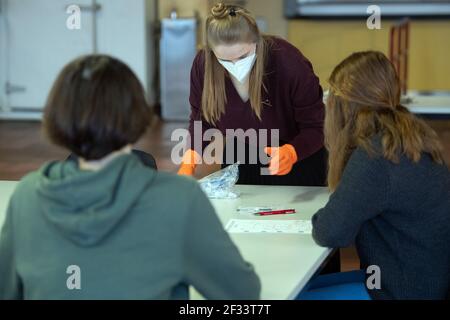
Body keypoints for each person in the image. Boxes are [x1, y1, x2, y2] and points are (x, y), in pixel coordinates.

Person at [0, 55, 260, 300]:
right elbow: (242, 294)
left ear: (57, 116)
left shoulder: (28, 196)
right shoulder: (179, 199)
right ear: (135, 114)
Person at [301, 51, 450, 300]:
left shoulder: (375, 155)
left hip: (399, 291)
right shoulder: (411, 136)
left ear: (343, 104)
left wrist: (326, 214)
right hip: (424, 282)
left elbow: (330, 232)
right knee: (305, 288)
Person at [177, 2, 326, 186]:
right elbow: (201, 120)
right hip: (242, 156)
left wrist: (292, 152)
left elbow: (316, 127)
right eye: (224, 60)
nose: (235, 66)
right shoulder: (204, 65)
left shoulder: (288, 63)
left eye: (242, 57)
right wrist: (187, 165)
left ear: (256, 41)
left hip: (299, 155)